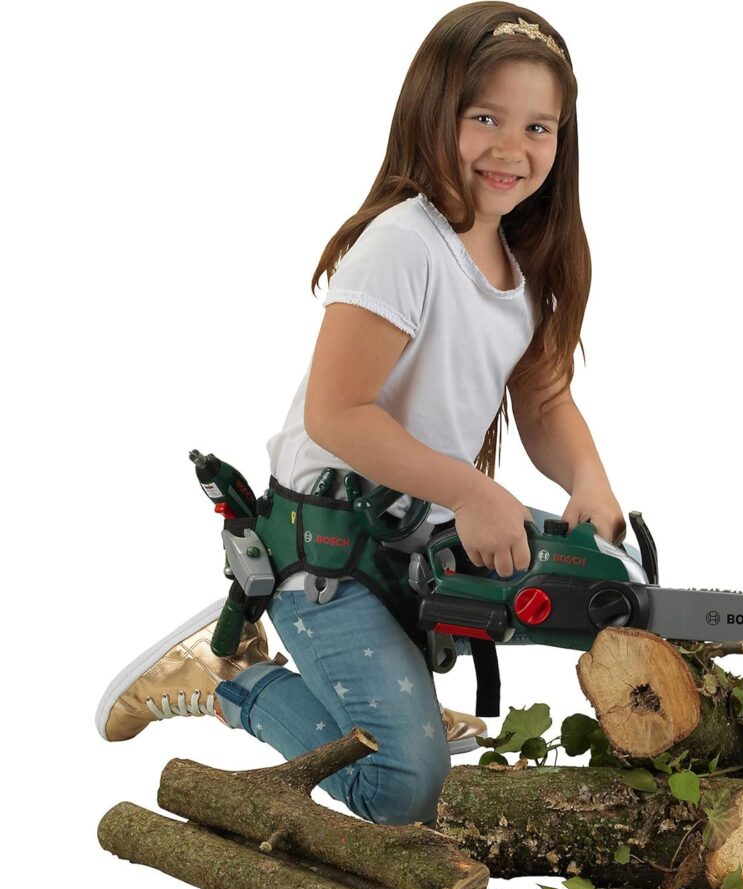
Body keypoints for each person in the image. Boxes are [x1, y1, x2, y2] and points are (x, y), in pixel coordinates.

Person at [96, 2, 626, 827]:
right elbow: (337, 413)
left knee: (607, 581)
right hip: (331, 552)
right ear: (433, 112)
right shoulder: (405, 243)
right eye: (484, 118)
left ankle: (396, 694)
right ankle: (229, 680)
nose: (510, 148)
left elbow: (545, 399)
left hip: (416, 529)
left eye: (538, 127)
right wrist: (475, 492)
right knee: (401, 788)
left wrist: (588, 480)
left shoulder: (524, 260)